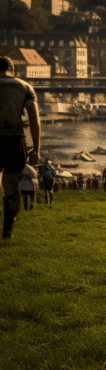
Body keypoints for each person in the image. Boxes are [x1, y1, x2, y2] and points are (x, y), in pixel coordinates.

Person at [0, 57, 41, 239]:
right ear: (12, 69)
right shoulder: (25, 87)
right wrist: (36, 149)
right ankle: (7, 230)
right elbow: (34, 120)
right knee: (12, 187)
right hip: (14, 140)